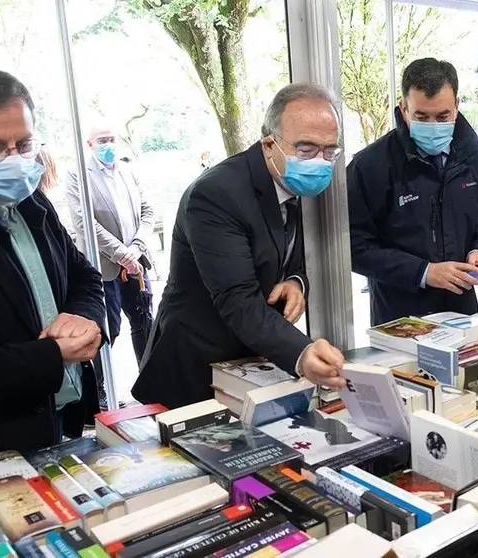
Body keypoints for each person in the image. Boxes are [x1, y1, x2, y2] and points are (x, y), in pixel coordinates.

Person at [132, 83, 346, 409]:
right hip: (197, 367)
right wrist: (302, 354)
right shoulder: (217, 194)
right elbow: (237, 298)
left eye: (329, 151)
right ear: (269, 143)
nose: (319, 161)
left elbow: (298, 252)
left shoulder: (303, 185)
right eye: (306, 150)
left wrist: (296, 281)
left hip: (254, 361)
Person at [0, 68, 106, 451]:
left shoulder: (33, 202)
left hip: (54, 419)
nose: (14, 160)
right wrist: (52, 354)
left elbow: (84, 275)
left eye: (23, 145)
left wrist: (83, 317)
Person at [348, 58, 478, 326]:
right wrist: (424, 272)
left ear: (457, 107)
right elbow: (353, 247)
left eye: (443, 116)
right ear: (403, 108)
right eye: (422, 117)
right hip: (400, 319)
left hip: (462, 312)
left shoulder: (475, 156)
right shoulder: (370, 166)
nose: (434, 126)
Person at [65, 125, 155, 368]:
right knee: (107, 331)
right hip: (104, 268)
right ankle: (102, 390)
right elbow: (84, 221)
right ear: (90, 144)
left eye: (112, 139)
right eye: (102, 140)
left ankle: (149, 380)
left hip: (137, 265)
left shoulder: (128, 171)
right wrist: (121, 254)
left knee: (145, 324)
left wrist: (136, 248)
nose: (109, 145)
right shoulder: (78, 176)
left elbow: (148, 211)